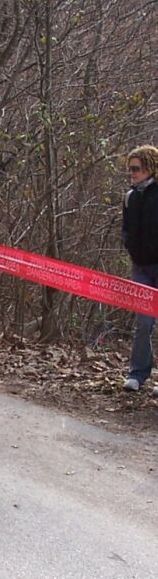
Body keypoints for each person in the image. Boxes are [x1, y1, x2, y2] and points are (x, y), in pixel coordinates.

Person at [121, 144, 158, 396]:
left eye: (136, 169)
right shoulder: (130, 197)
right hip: (141, 267)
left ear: (149, 167)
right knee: (143, 323)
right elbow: (126, 230)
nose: (132, 173)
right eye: (130, 169)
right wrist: (131, 248)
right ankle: (137, 373)